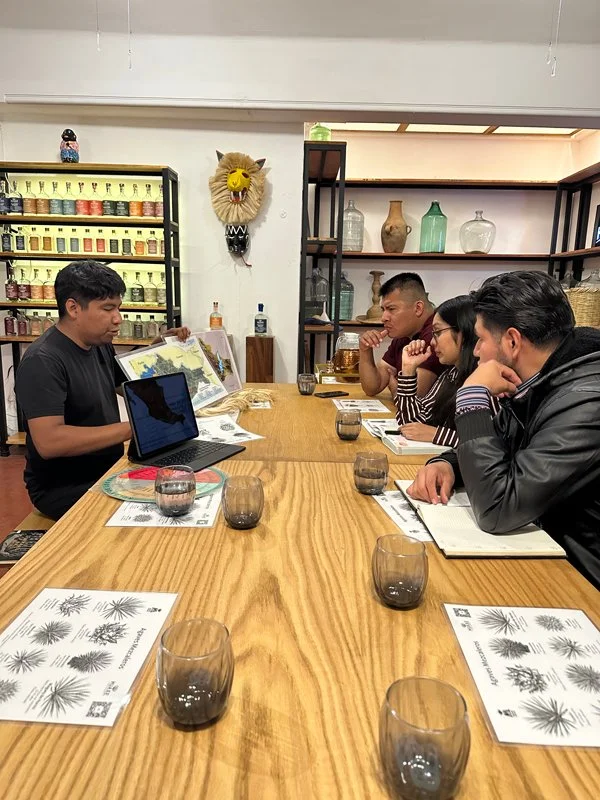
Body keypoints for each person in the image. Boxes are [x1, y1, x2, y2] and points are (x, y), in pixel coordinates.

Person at [407, 271, 600, 589]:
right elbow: (499, 440)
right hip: (544, 555)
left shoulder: (586, 398)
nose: (477, 351)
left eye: (481, 339)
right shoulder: (542, 379)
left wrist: (471, 398)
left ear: (512, 341)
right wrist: (447, 464)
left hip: (581, 585)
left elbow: (498, 507)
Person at [15, 260, 189, 520]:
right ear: (73, 308)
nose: (118, 319)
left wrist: (158, 348)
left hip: (110, 470)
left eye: (118, 308)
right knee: (167, 509)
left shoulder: (98, 344)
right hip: (65, 488)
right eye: (107, 309)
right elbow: (50, 442)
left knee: (186, 485)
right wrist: (135, 428)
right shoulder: (43, 360)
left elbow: (128, 384)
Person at [395, 294, 498, 448]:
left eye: (437, 332)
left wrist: (438, 434)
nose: (432, 341)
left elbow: (493, 445)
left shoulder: (490, 379)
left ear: (464, 331)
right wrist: (408, 371)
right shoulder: (451, 373)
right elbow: (411, 425)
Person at [359, 272, 444, 398]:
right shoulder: (404, 334)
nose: (383, 318)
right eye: (383, 310)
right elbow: (372, 387)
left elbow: (414, 398)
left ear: (418, 308)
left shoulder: (436, 334)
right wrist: (365, 350)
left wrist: (394, 388)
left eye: (391, 309)